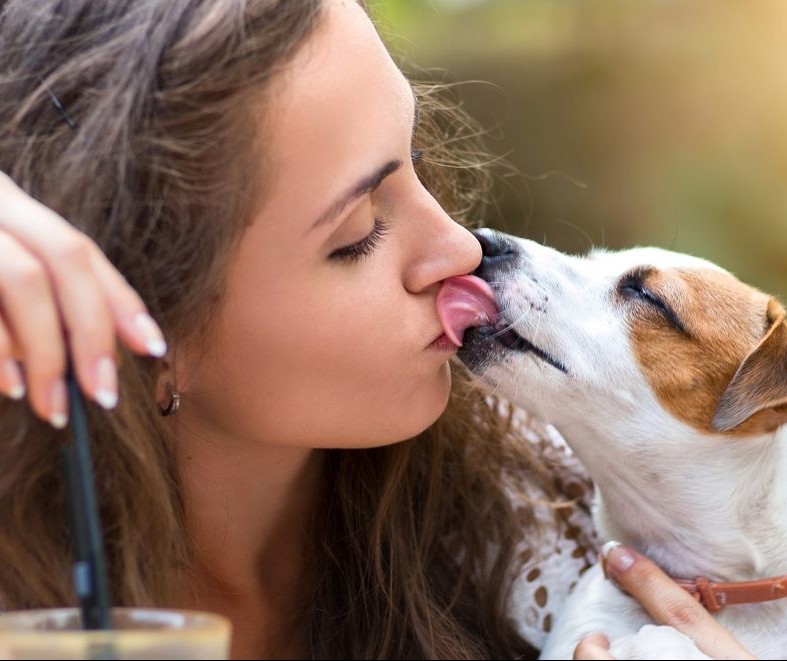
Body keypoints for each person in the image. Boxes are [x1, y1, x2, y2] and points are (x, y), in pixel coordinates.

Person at [0, 0, 755, 658]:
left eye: (417, 162)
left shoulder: (546, 511)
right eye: (357, 233)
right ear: (145, 328)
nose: (464, 246)